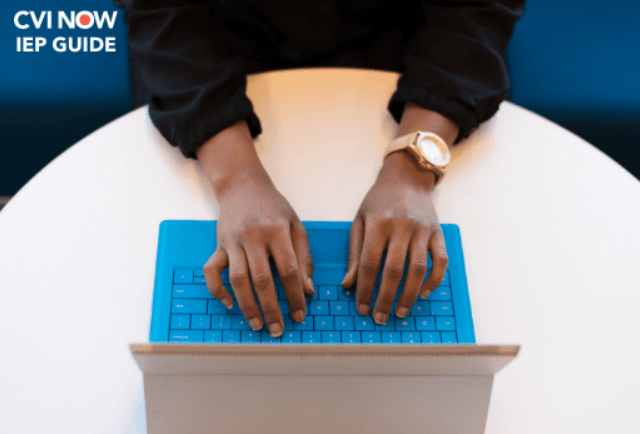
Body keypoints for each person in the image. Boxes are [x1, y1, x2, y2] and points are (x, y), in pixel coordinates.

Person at [115, 0, 524, 338]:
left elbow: (478, 8)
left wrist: (411, 170)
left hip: (413, 45)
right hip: (211, 49)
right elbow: (160, 11)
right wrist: (238, 178)